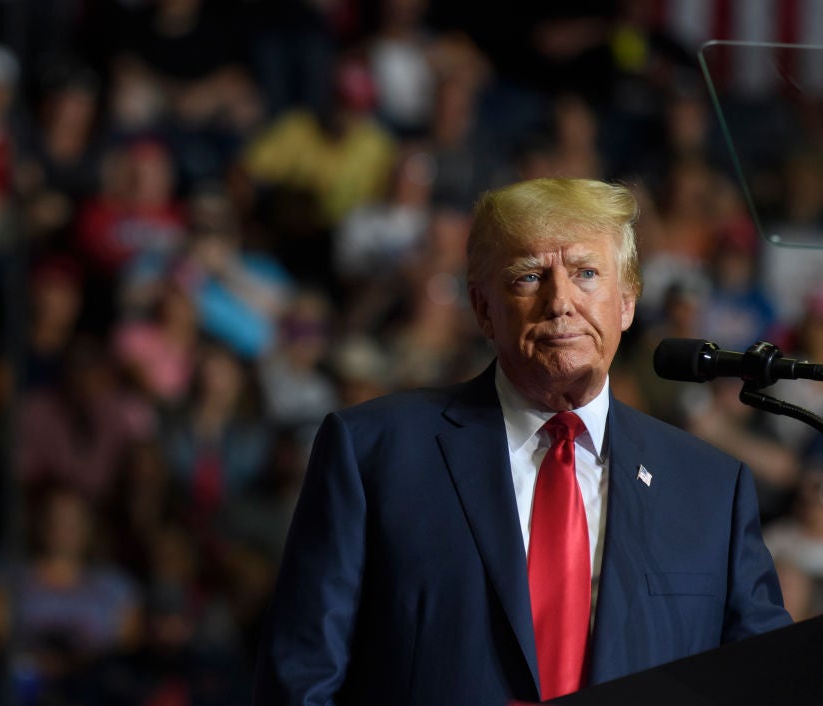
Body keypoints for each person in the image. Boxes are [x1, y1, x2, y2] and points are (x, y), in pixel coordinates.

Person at [253, 177, 791, 705]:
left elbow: (767, 680)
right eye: (529, 278)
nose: (560, 302)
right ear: (483, 308)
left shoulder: (711, 488)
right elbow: (302, 680)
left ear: (627, 302)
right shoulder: (373, 452)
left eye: (586, 273)